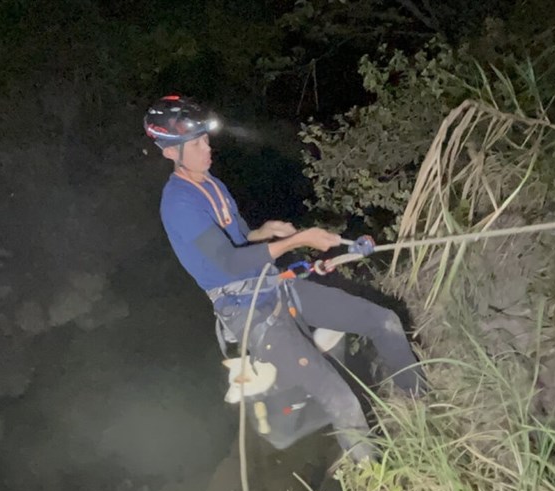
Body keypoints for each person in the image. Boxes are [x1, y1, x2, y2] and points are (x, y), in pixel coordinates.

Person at [143, 95, 425, 462]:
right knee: (341, 400)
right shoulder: (179, 203)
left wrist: (267, 231)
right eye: (196, 144)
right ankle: (378, 482)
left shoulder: (210, 184)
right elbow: (229, 262)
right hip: (250, 313)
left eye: (205, 140)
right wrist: (298, 240)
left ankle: (423, 407)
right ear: (171, 152)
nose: (207, 148)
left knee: (383, 321)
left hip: (275, 287)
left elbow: (241, 238)